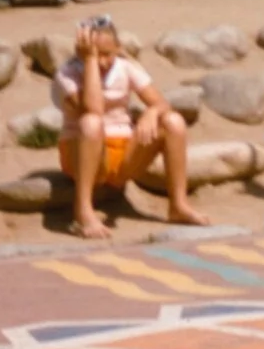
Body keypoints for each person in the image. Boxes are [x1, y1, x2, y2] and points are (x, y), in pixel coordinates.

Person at [54, 15, 203, 239]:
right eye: (95, 54)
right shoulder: (68, 74)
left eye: (107, 55)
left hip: (123, 154)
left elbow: (161, 103)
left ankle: (178, 205)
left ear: (118, 49)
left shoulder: (125, 68)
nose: (103, 62)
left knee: (173, 122)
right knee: (92, 122)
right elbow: (93, 108)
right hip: (84, 152)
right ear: (80, 51)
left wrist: (150, 114)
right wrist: (90, 62)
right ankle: (83, 210)